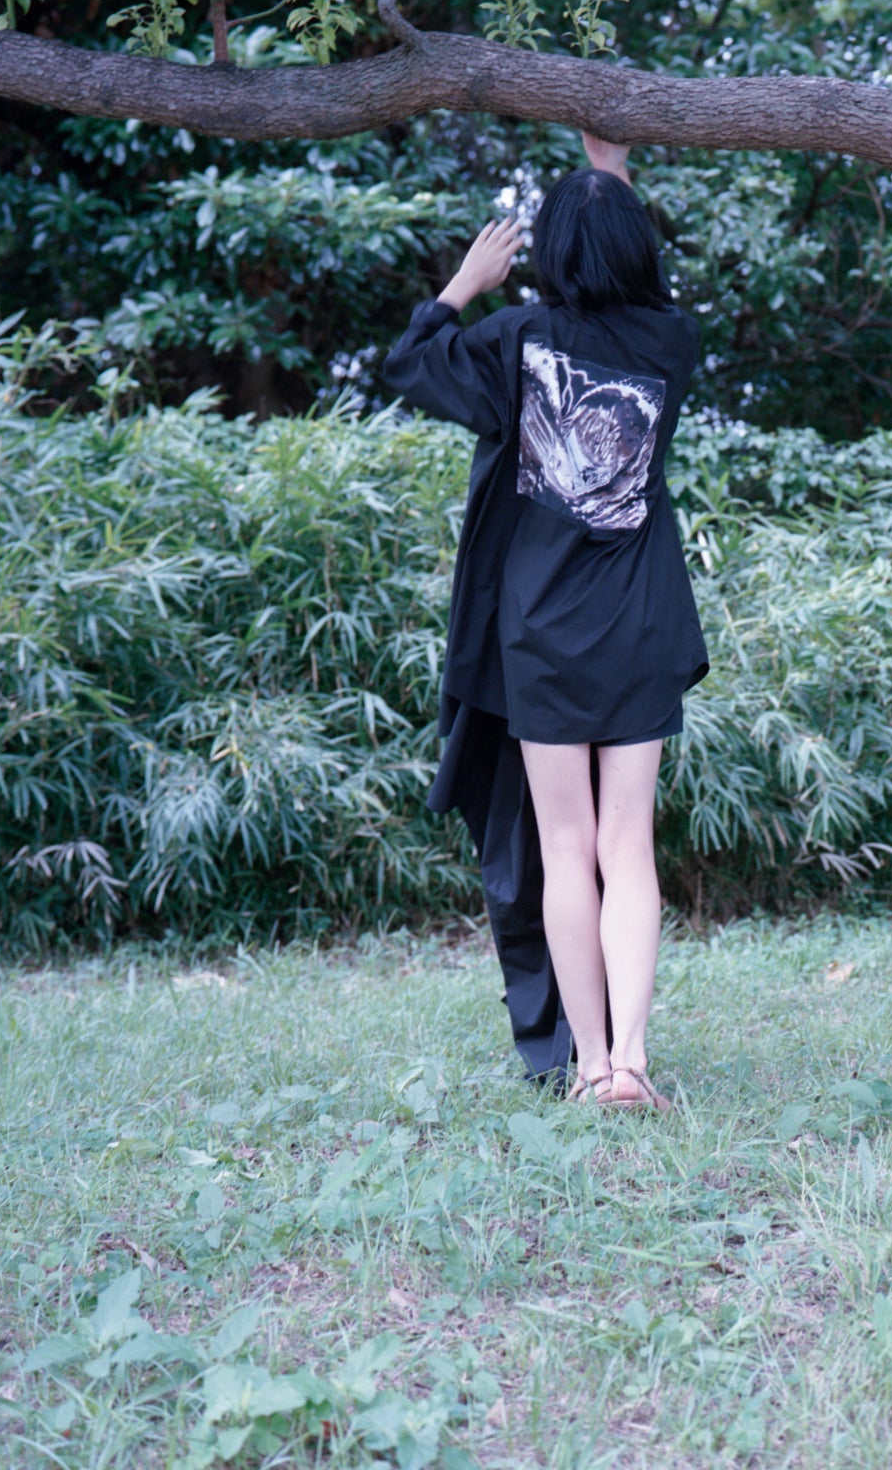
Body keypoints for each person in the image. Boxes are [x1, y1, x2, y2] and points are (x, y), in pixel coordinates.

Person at [382, 134, 708, 1109]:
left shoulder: (515, 339)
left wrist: (463, 283)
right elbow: (629, 278)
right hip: (639, 621)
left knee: (566, 849)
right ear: (638, 248)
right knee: (628, 846)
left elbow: (410, 361)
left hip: (543, 632)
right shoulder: (671, 344)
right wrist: (612, 173)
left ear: (551, 255)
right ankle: (634, 1062)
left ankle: (592, 1064)